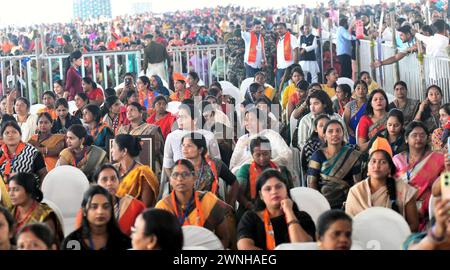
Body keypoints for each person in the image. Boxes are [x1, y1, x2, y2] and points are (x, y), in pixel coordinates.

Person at [346, 137, 419, 232]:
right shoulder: (356, 192)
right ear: (367, 167)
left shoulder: (404, 190)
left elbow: (414, 224)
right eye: (373, 161)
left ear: (389, 169)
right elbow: (349, 226)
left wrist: (394, 237)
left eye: (383, 162)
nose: (377, 166)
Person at [155, 160, 231, 248]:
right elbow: (157, 242)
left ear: (194, 177)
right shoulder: (163, 207)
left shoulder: (209, 201)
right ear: (170, 180)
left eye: (185, 174)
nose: (179, 179)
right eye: (175, 175)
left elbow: (224, 237)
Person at [237, 169, 315, 250]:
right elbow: (244, 247)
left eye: (278, 187)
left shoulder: (302, 216)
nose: (274, 191)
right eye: (268, 189)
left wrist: (289, 212)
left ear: (286, 190)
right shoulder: (250, 218)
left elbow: (304, 247)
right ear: (260, 195)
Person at [393, 121, 445, 231]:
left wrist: (448, 172)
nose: (419, 138)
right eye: (414, 135)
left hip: (430, 214)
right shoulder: (397, 160)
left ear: (427, 138)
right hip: (403, 211)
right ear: (406, 139)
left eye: (422, 135)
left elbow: (446, 185)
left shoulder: (439, 159)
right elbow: (390, 185)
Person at [74, 164, 145, 236]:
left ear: (119, 181)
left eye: (113, 179)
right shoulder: (86, 210)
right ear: (96, 183)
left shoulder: (134, 206)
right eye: (104, 179)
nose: (109, 183)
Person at [307, 120, 362, 209]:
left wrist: (350, 203)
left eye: (338, 131)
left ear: (343, 134)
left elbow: (357, 184)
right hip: (323, 203)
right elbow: (311, 183)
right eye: (330, 131)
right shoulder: (317, 155)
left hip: (347, 203)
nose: (334, 134)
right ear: (324, 135)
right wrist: (319, 204)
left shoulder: (352, 155)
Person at [236, 136, 293, 219]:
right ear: (252, 155)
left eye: (265, 154)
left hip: (278, 208)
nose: (262, 158)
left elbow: (289, 192)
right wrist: (249, 206)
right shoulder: (245, 170)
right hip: (250, 209)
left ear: (270, 152)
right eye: (258, 155)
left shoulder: (281, 170)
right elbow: (239, 193)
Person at [62, 185, 131, 250]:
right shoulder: (72, 242)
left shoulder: (124, 242)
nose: (100, 212)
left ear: (111, 210)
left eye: (106, 206)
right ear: (84, 211)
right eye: (94, 207)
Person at [181, 132, 239, 207]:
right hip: (188, 211)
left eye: (189, 146)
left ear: (200, 150)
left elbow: (234, 183)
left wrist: (230, 204)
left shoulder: (215, 164)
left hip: (213, 210)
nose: (184, 149)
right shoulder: (179, 168)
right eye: (183, 145)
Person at [163, 103, 221, 177]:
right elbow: (167, 164)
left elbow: (217, 162)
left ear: (195, 120)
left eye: (184, 117)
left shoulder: (208, 136)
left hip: (205, 180)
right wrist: (175, 181)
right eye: (178, 117)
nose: (179, 120)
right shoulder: (172, 137)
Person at [230, 107, 293, 175]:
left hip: (269, 172)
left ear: (261, 121)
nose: (247, 123)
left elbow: (286, 155)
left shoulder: (272, 135)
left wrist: (269, 164)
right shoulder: (242, 139)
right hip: (245, 175)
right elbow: (233, 164)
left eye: (251, 120)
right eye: (246, 120)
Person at [8, 173, 64, 243]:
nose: (11, 194)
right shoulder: (9, 211)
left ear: (29, 191)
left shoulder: (45, 216)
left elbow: (47, 245)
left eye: (16, 190)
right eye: (9, 190)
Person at [111, 134, 159, 208]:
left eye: (113, 147)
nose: (111, 150)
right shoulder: (112, 170)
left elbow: (145, 207)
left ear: (124, 151)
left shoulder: (143, 173)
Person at [117, 102, 164, 170]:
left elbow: (155, 150)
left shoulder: (151, 129)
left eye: (132, 110)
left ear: (140, 112)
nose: (129, 113)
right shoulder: (122, 130)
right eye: (127, 111)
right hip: (126, 165)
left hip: (146, 164)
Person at [274, 23, 299, 89]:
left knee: (290, 87)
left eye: (281, 28)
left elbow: (296, 50)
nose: (279, 30)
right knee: (280, 87)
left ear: (286, 29)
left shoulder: (291, 37)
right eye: (278, 29)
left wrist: (295, 66)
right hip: (280, 68)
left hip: (289, 67)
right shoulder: (279, 39)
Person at [344, 80, 368, 145]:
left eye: (364, 88)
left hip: (367, 134)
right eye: (358, 88)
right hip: (353, 135)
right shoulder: (349, 105)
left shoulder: (370, 104)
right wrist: (350, 132)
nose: (361, 91)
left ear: (367, 91)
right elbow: (345, 123)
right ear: (354, 91)